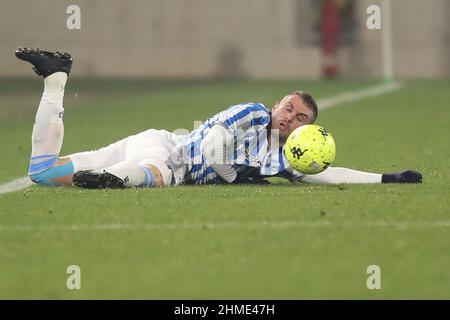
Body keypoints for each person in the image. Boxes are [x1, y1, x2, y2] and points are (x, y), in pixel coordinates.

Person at [15, 47, 422, 189]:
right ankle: (117, 180)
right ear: (276, 105)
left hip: (153, 148)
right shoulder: (252, 113)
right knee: (157, 175)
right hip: (168, 154)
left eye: (300, 119)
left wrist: (388, 178)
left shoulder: (285, 159)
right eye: (288, 109)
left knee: (43, 172)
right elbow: (211, 143)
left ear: (306, 129)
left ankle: (55, 77)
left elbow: (330, 173)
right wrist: (234, 174)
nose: (289, 119)